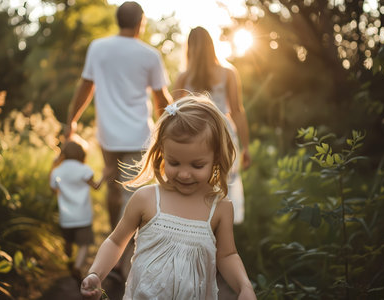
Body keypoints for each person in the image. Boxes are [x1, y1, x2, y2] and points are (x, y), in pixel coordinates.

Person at [80, 95, 256, 300]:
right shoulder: (146, 199)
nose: (184, 173)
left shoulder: (220, 207)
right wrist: (96, 273)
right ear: (162, 153)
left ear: (216, 158)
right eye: (174, 163)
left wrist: (245, 287)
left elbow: (227, 255)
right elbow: (116, 242)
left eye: (197, 165)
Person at [66, 1, 173, 234]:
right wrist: (173, 129)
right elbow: (161, 100)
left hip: (108, 135)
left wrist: (71, 121)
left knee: (113, 192)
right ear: (140, 22)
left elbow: (85, 87)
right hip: (139, 135)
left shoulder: (97, 48)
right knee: (131, 195)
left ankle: (113, 242)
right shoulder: (150, 55)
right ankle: (124, 255)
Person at [173, 26, 251, 224]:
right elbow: (237, 111)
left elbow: (173, 114)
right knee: (224, 182)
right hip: (223, 133)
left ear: (189, 48)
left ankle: (197, 224)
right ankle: (222, 229)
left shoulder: (184, 77)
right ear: (212, 46)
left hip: (193, 133)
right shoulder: (228, 73)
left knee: (198, 180)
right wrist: (246, 147)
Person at [50, 136, 104, 284]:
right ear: (81, 154)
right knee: (84, 244)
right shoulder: (84, 170)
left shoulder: (57, 171)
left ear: (64, 154)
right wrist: (105, 175)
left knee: (68, 241)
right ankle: (78, 266)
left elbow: (53, 189)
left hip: (66, 216)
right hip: (83, 216)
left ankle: (68, 256)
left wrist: (53, 166)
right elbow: (96, 186)